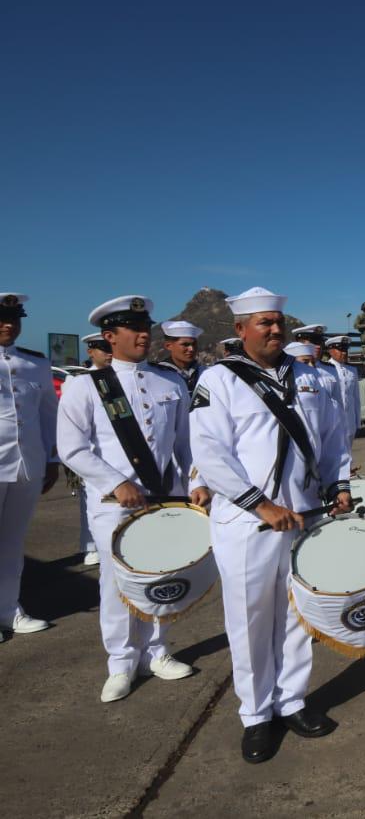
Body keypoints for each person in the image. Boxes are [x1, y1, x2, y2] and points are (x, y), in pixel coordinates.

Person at [189, 287, 352, 764]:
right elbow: (210, 453)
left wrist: (338, 484)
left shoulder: (309, 377)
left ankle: (293, 700)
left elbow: (332, 438)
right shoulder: (218, 380)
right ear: (240, 330)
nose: (275, 329)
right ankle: (257, 714)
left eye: (278, 321)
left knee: (298, 615)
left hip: (304, 514)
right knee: (251, 620)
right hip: (248, 523)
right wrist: (260, 505)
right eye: (263, 322)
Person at [58, 295, 209, 700]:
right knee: (119, 583)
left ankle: (158, 651)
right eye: (133, 329)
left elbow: (186, 442)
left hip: (166, 498)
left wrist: (196, 478)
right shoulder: (86, 385)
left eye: (146, 328)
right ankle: (122, 662)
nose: (144, 335)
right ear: (110, 336)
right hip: (115, 505)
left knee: (164, 576)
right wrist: (114, 482)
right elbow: (72, 448)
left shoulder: (170, 380)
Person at [0, 292, 58, 639]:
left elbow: (48, 414)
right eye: (2, 318)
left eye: (14, 319)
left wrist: (52, 458)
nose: (8, 324)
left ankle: (9, 609)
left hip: (27, 465)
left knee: (13, 542)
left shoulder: (36, 364)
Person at [74, 332, 114, 564]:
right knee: (88, 501)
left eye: (111, 348)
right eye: (103, 349)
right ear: (91, 351)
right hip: (89, 451)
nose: (109, 353)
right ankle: (90, 545)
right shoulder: (80, 380)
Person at [325, 335, 361, 445]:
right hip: (332, 422)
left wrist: (357, 422)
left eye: (345, 349)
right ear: (330, 351)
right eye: (340, 350)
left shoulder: (352, 370)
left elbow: (356, 398)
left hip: (349, 422)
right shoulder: (324, 369)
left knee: (348, 455)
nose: (344, 353)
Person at [152, 320, 203, 393]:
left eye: (194, 344)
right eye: (185, 344)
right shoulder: (158, 375)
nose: (191, 349)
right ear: (168, 346)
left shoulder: (205, 372)